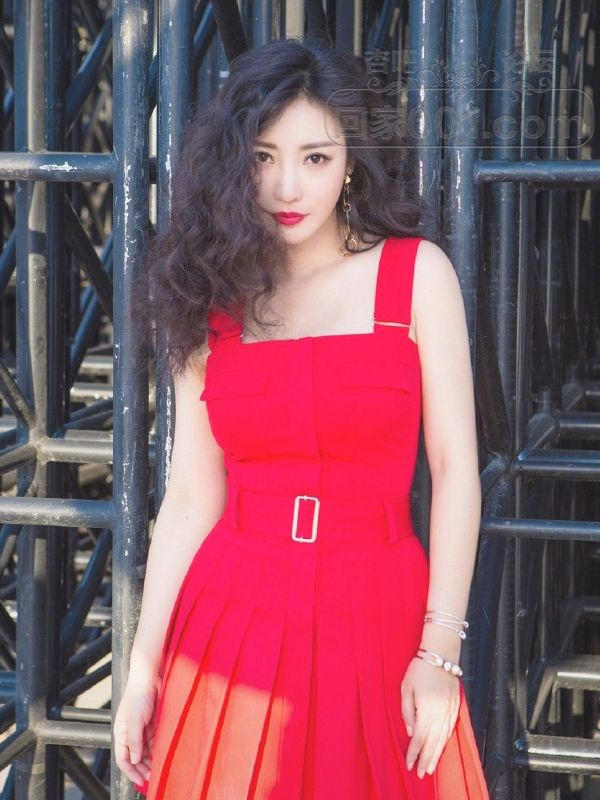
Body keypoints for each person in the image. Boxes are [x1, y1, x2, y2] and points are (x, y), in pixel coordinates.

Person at [114, 36, 490, 799]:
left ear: (351, 160)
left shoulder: (416, 275)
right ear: (234, 163)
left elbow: (455, 470)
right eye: (263, 157)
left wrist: (440, 650)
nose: (287, 185)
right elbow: (190, 495)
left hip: (379, 605)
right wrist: (143, 666)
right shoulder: (210, 294)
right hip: (233, 608)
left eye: (315, 157)